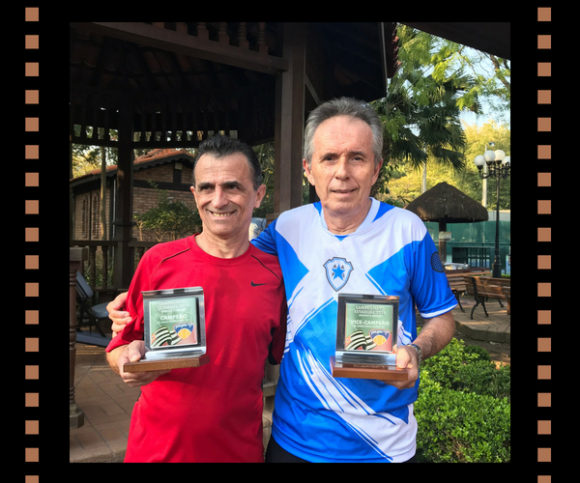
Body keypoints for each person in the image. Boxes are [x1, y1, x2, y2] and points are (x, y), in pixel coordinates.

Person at [109, 97, 457, 463]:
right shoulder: (287, 228)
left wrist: (416, 350)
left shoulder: (407, 231)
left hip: (385, 444)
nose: (342, 172)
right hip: (294, 442)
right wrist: (135, 299)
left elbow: (442, 317)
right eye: (329, 158)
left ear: (376, 168)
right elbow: (225, 257)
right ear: (308, 169)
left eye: (357, 157)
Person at [105, 135, 287, 463]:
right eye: (206, 188)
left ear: (258, 194)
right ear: (195, 195)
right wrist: (126, 362)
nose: (218, 200)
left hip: (238, 453)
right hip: (156, 452)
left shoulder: (276, 276)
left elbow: (281, 354)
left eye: (232, 187)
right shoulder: (158, 262)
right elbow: (119, 345)